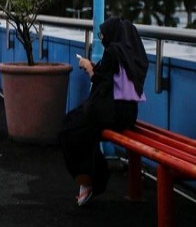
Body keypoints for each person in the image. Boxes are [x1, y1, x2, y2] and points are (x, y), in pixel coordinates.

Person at [59, 17, 148, 207]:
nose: (102, 37)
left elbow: (101, 83)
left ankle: (90, 180)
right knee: (85, 130)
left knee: (70, 128)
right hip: (128, 114)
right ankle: (91, 179)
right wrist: (95, 70)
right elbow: (111, 78)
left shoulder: (113, 52)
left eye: (102, 34)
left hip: (110, 113)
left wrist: (88, 67)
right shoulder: (134, 54)